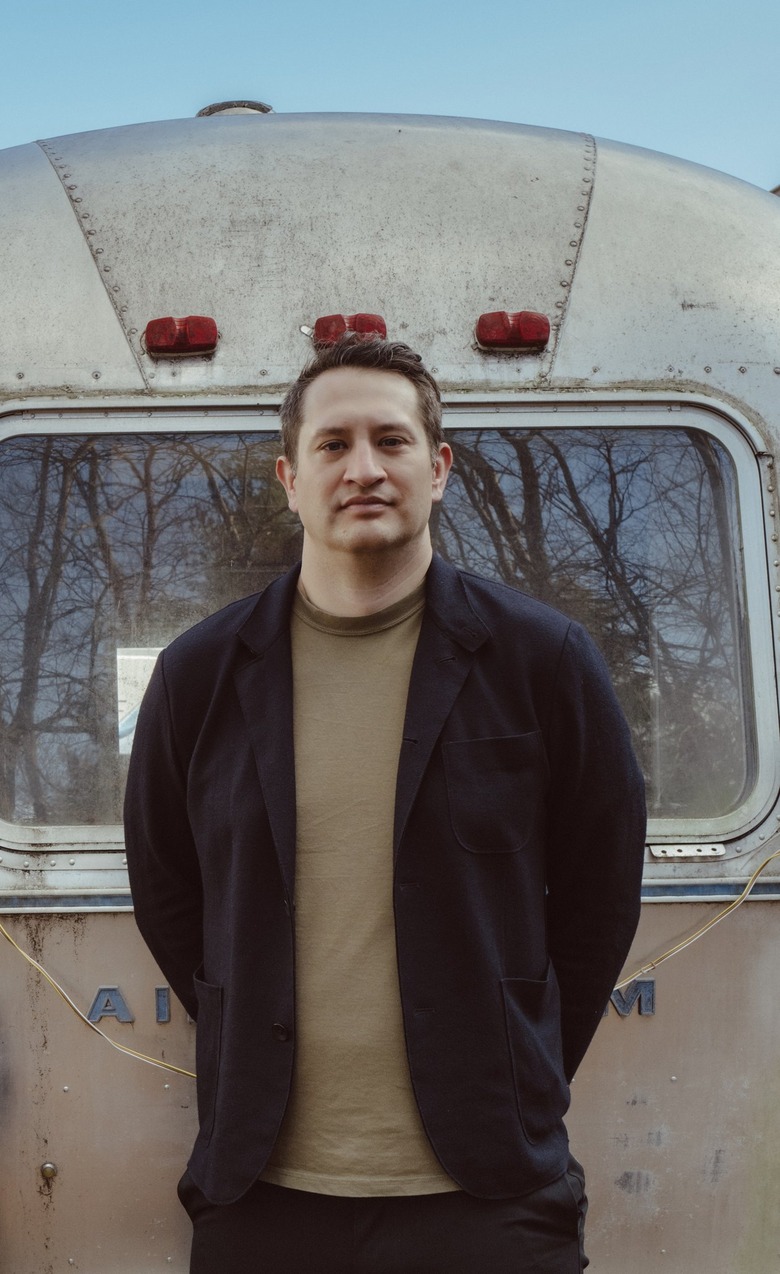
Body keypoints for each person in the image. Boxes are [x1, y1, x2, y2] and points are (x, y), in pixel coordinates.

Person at [124, 335, 646, 1273]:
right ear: (290, 477)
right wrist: (254, 1019)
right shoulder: (198, 676)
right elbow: (168, 890)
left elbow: (600, 894)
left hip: (488, 1194)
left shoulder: (542, 661)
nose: (363, 468)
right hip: (262, 1196)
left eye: (391, 441)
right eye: (332, 445)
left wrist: (513, 1064)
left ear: (437, 467)